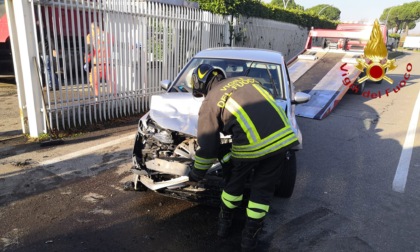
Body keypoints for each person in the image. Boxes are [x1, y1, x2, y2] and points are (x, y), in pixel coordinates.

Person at [188, 64, 299, 251]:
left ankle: (223, 227)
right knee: (262, 191)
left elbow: (208, 147)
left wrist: (196, 173)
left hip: (252, 146)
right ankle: (249, 240)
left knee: (233, 184)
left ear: (201, 84)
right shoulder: (248, 81)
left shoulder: (211, 100)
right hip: (283, 139)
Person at [85, 22, 114, 97]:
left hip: (96, 65)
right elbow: (116, 44)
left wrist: (86, 61)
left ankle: (97, 100)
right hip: (108, 65)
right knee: (111, 83)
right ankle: (113, 99)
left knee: (94, 83)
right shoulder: (108, 35)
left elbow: (89, 51)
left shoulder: (90, 37)